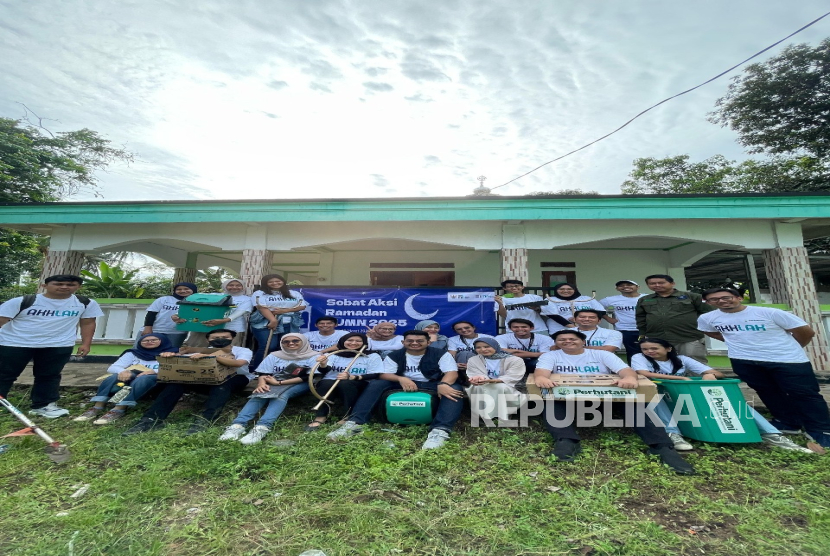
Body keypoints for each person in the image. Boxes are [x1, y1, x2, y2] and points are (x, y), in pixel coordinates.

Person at [534, 330, 694, 474]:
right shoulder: (550, 355)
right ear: (556, 343)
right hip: (570, 397)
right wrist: (541, 377)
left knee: (634, 403)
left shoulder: (602, 355)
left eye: (572, 339)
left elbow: (625, 370)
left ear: (583, 341)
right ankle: (566, 441)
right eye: (562, 339)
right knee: (550, 402)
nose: (567, 342)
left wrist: (630, 378)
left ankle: (662, 447)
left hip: (605, 397)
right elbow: (541, 371)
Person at [698, 287, 830, 448]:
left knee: (805, 394)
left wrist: (793, 347)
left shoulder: (769, 313)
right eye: (714, 299)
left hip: (788, 360)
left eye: (726, 297)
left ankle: (821, 430)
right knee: (768, 392)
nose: (721, 301)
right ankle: (787, 422)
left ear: (739, 298)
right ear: (708, 302)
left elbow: (806, 332)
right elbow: (713, 333)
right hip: (744, 361)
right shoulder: (708, 318)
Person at [631, 337, 813, 453]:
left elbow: (716, 373)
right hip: (661, 391)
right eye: (646, 349)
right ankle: (673, 434)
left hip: (688, 392)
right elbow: (645, 374)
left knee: (736, 403)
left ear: (668, 349)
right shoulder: (639, 358)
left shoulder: (683, 360)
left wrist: (709, 375)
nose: (649, 352)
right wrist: (679, 379)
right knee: (654, 399)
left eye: (654, 348)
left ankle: (772, 435)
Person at [327, 330, 465, 449]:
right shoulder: (395, 355)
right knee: (377, 384)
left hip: (433, 383)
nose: (414, 343)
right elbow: (384, 374)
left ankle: (440, 431)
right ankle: (355, 423)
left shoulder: (440, 353)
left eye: (419, 341)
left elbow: (451, 372)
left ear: (428, 342)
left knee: (454, 389)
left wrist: (444, 384)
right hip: (403, 383)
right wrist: (401, 379)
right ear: (403, 342)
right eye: (410, 340)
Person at [0, 274, 104, 418]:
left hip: (58, 344)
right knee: (4, 374)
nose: (64, 287)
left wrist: (86, 343)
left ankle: (43, 405)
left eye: (71, 285)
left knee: (49, 376)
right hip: (15, 343)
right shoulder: (23, 301)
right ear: (45, 286)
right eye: (58, 284)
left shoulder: (86, 303)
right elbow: (1, 319)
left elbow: (88, 323)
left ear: (78, 287)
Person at [123, 329, 253, 436]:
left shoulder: (242, 351)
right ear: (208, 340)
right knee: (175, 384)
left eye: (224, 337)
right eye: (214, 338)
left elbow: (239, 363)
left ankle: (204, 420)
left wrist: (213, 357)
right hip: (202, 380)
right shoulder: (197, 351)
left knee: (222, 385)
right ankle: (151, 419)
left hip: (235, 379)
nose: (219, 339)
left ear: (232, 338)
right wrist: (171, 356)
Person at [219, 333, 319, 444]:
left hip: (300, 383)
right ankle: (237, 426)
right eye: (286, 342)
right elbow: (263, 373)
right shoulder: (275, 355)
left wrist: (280, 383)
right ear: (281, 344)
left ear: (303, 342)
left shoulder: (314, 355)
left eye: (295, 341)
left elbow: (308, 377)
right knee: (259, 393)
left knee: (280, 396)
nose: (291, 343)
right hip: (273, 382)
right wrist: (261, 384)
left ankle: (262, 427)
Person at [73, 333, 177, 424]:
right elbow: (113, 367)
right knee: (113, 376)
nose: (149, 342)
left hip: (154, 383)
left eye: (154, 340)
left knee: (144, 378)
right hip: (128, 381)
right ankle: (98, 406)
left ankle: (119, 409)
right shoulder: (132, 353)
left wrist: (154, 371)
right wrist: (122, 371)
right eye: (145, 340)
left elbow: (176, 370)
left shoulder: (170, 354)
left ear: (162, 341)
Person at [304, 333, 383, 431]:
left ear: (364, 343)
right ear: (343, 341)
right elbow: (324, 371)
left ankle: (347, 416)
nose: (353, 343)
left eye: (358, 341)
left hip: (359, 382)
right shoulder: (333, 355)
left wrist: (353, 377)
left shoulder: (372, 356)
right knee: (325, 383)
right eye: (350, 340)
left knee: (346, 384)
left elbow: (376, 374)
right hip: (332, 381)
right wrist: (323, 364)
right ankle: (321, 416)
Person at [636, 274, 714, 364]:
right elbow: (640, 318)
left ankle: (696, 378)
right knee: (661, 363)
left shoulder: (693, 297)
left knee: (694, 362)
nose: (657, 285)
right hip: (657, 337)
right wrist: (642, 334)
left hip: (689, 337)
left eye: (661, 283)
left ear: (672, 283)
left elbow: (709, 314)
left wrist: (706, 330)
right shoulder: (644, 300)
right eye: (652, 283)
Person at [250, 274, 307, 369]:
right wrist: (273, 320)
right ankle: (259, 369)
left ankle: (279, 369)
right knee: (268, 346)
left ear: (283, 281)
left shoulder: (293, 293)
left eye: (277, 281)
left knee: (285, 347)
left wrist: (284, 311)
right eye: (271, 282)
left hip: (289, 323)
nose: (275, 283)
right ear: (265, 283)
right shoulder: (259, 293)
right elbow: (260, 307)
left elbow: (302, 306)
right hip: (265, 323)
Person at [465, 337, 527, 422]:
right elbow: (475, 373)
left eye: (487, 346)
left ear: (495, 346)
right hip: (485, 384)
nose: (483, 349)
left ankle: (504, 415)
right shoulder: (474, 360)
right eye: (478, 347)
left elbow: (513, 376)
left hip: (510, 386)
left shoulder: (515, 360)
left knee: (500, 387)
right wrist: (478, 379)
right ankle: (483, 416)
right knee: (477, 387)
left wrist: (491, 381)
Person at [184, 279, 253, 347]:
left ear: (243, 287)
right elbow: (197, 306)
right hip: (209, 325)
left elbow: (240, 312)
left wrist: (223, 321)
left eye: (238, 285)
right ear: (225, 286)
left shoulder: (247, 299)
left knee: (227, 349)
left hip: (233, 328)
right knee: (199, 346)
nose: (234, 287)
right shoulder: (215, 296)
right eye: (231, 285)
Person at [599, 280, 646, 362]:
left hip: (647, 329)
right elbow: (595, 308)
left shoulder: (648, 298)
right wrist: (608, 319)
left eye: (629, 285)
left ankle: (651, 371)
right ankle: (635, 371)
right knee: (633, 352)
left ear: (638, 287)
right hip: (625, 329)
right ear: (617, 289)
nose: (625, 287)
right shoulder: (610, 299)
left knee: (650, 350)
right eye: (621, 286)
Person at [141, 282, 197, 349]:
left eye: (186, 289)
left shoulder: (195, 302)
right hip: (155, 330)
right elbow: (151, 314)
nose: (182, 291)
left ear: (193, 290)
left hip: (177, 333)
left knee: (170, 352)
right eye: (179, 289)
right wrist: (148, 328)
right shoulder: (164, 299)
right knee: (143, 350)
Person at [540, 283, 605, 335]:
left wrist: (583, 320)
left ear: (575, 289)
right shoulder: (550, 300)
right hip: (560, 330)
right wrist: (574, 327)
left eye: (569, 289)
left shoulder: (587, 299)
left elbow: (600, 311)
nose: (565, 291)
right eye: (561, 289)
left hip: (587, 329)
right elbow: (553, 315)